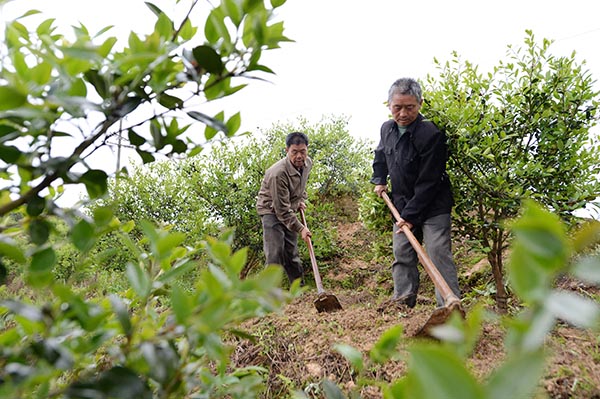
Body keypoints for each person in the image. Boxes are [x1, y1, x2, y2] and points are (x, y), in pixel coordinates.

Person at [371, 77, 460, 309]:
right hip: (401, 204)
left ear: (420, 104)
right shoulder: (387, 129)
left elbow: (429, 181)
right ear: (389, 105)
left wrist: (410, 217)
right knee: (402, 254)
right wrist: (379, 180)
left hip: (433, 206)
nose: (402, 113)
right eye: (397, 107)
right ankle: (402, 302)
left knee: (438, 253)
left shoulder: (430, 134)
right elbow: (380, 156)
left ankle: (448, 307)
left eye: (409, 107)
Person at [256, 132, 312, 286]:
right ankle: (268, 295)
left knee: (291, 253)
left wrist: (300, 199)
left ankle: (299, 292)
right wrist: (301, 228)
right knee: (275, 253)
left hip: (288, 209)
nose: (299, 156)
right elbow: (280, 209)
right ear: (287, 150)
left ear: (307, 149)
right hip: (271, 211)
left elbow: (301, 185)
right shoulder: (278, 173)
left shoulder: (308, 164)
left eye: (303, 151)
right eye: (295, 152)